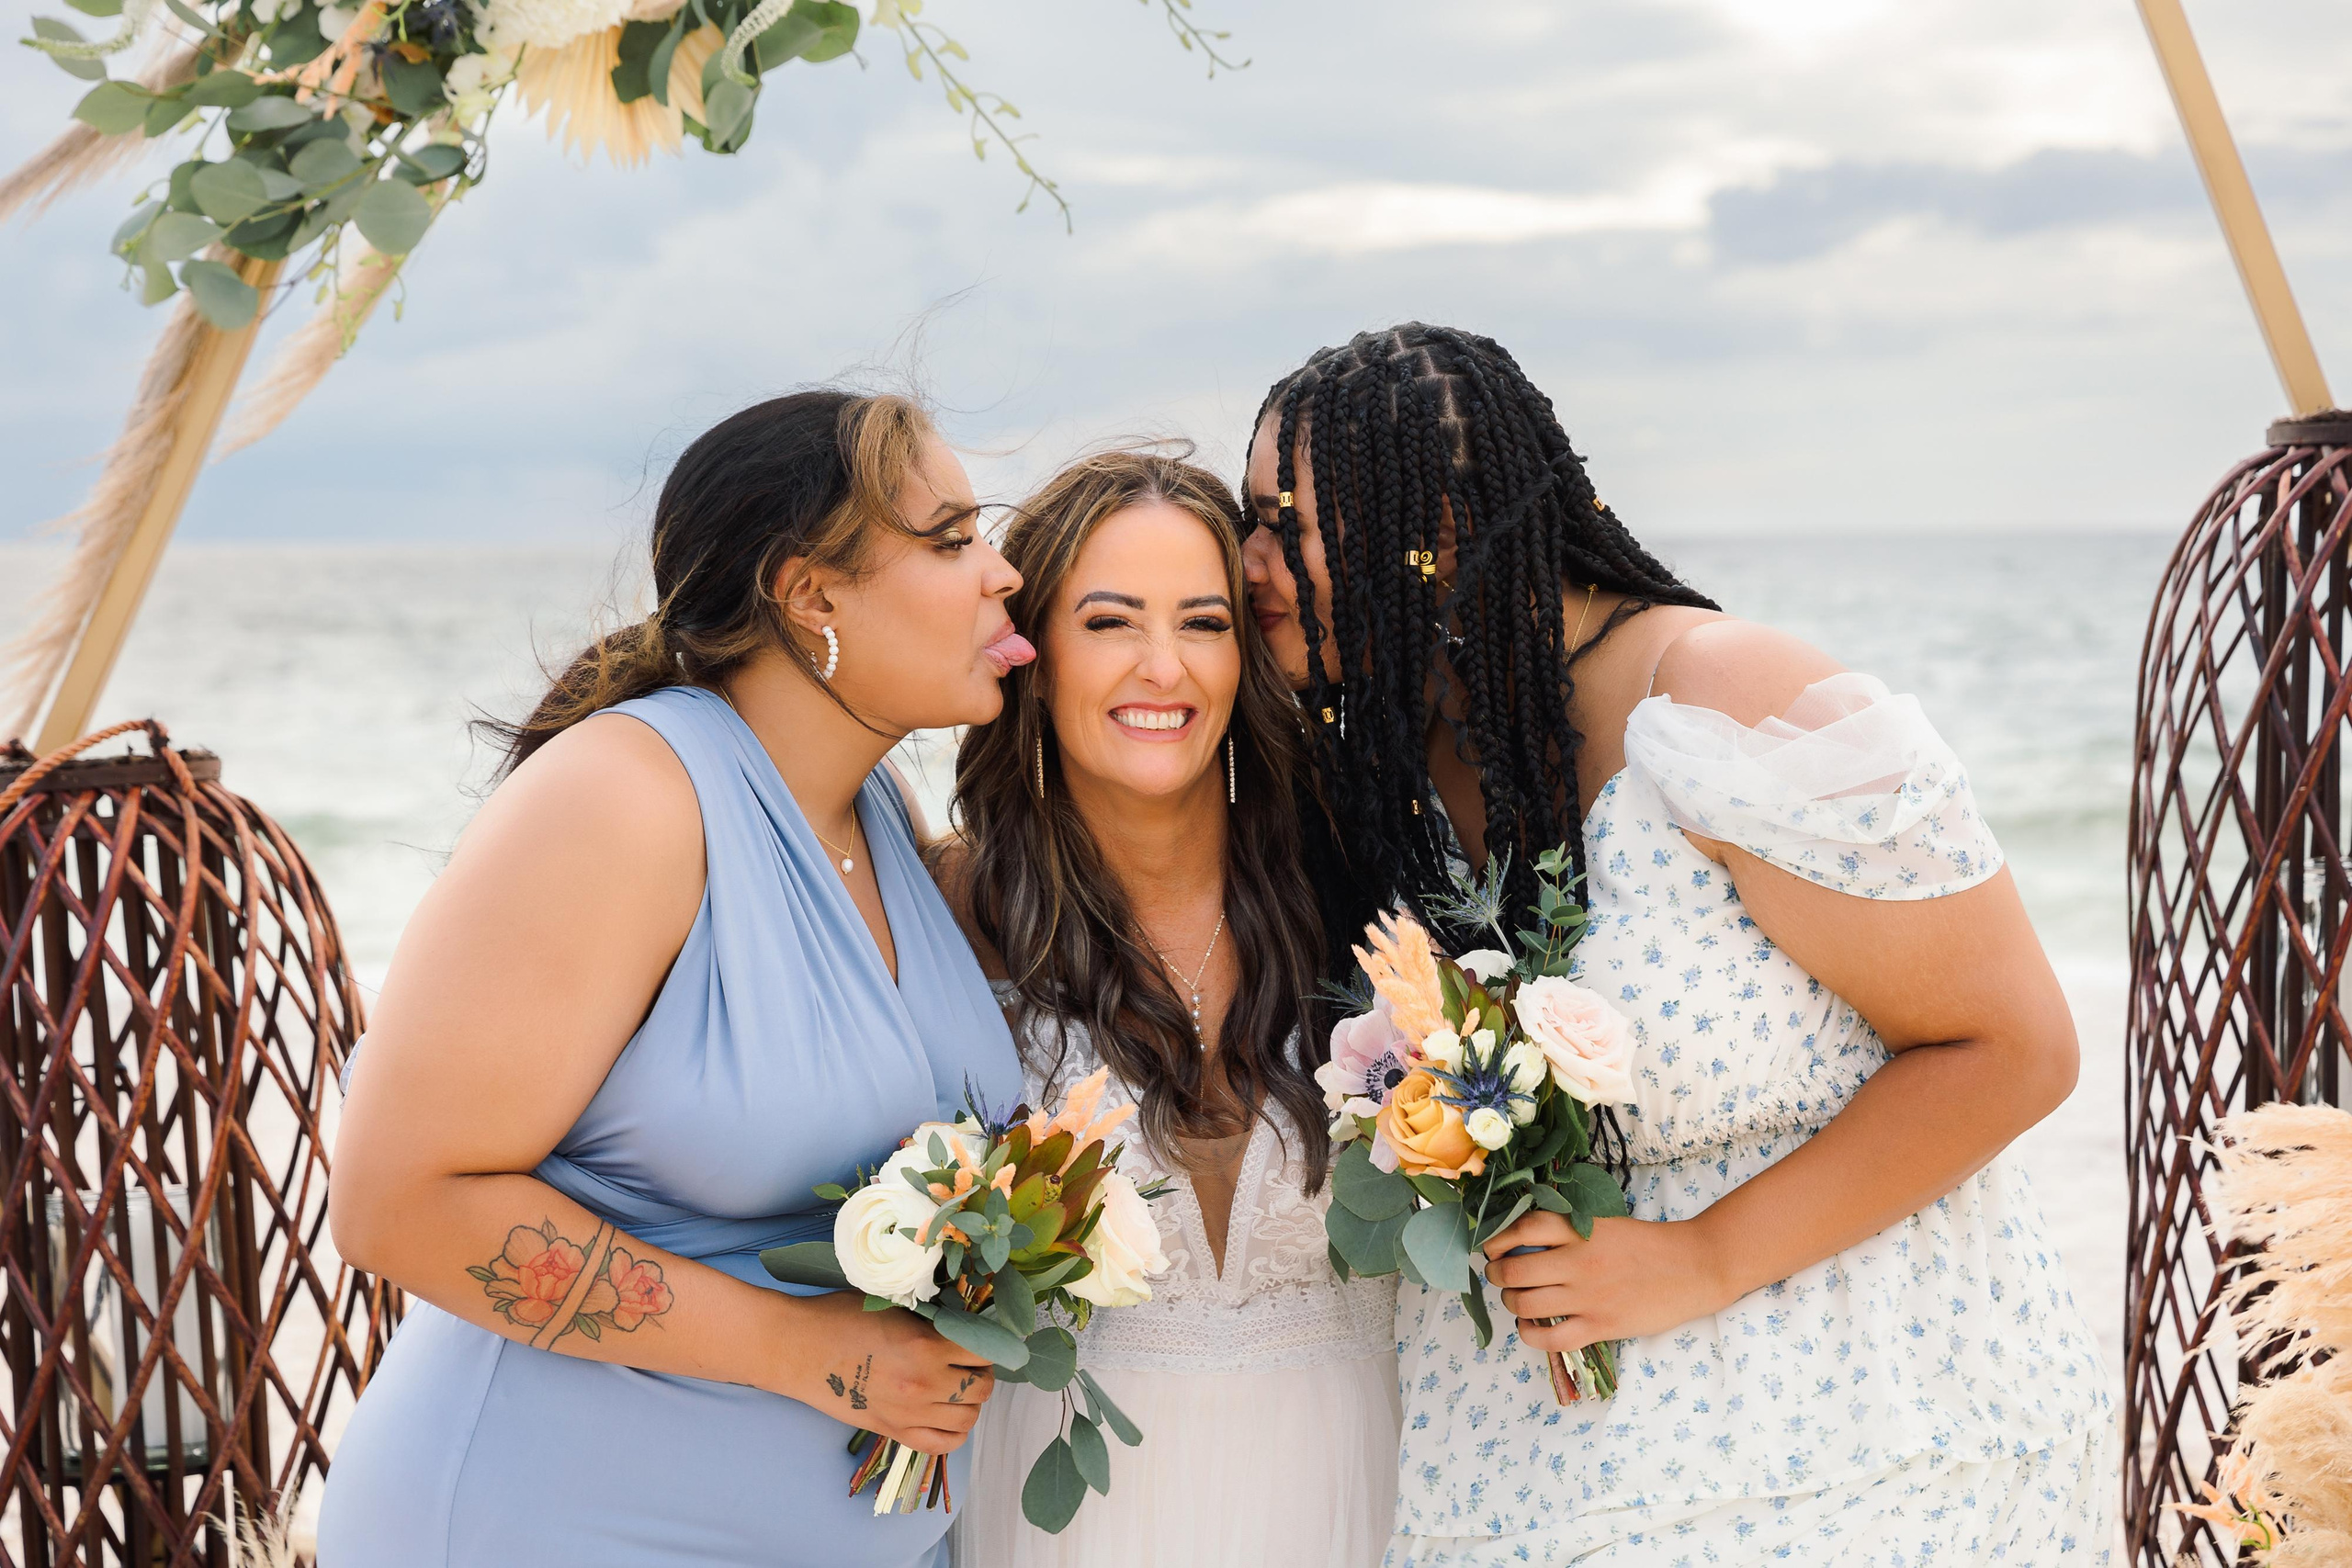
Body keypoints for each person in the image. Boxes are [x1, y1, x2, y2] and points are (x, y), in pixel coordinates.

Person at [1239, 325, 2115, 1564]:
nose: (1251, 560)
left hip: (1860, 1442)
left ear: (1433, 514)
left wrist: (1701, 1255)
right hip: (1534, 1467)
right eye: (1246, 515)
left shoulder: (1722, 698)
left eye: (1291, 520)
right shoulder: (1381, 770)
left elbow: (2016, 1046)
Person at [321, 391, 1035, 1567]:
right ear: (812, 595)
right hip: (560, 1525)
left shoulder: (879, 820)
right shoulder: (626, 798)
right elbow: (398, 1200)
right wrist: (812, 1354)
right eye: (953, 540)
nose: (1001, 574)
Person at [942, 450, 1400, 1567]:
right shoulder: (949, 913)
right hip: (1062, 1521)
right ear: (1034, 654)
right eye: (1108, 622)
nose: (1164, 668)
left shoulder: (1356, 890)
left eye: (1203, 623)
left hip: (1358, 1505)